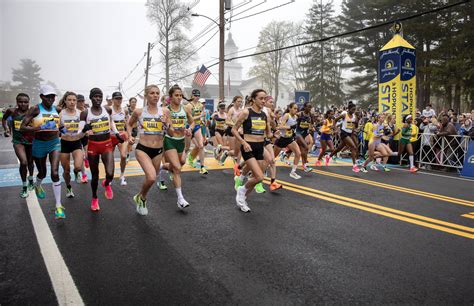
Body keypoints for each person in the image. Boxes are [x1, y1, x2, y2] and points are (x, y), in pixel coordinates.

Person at [20, 85, 64, 218]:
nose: (51, 99)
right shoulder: (35, 109)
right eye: (48, 96)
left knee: (55, 172)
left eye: (53, 96)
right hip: (39, 144)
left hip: (54, 143)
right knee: (43, 172)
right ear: (42, 97)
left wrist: (62, 128)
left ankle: (58, 206)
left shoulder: (56, 109)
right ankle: (38, 185)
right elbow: (22, 127)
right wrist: (37, 128)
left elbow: (59, 124)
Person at [80, 88, 124, 211]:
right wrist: (84, 129)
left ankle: (106, 183)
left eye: (100, 96)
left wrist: (116, 133)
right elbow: (79, 132)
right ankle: (94, 198)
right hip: (93, 145)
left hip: (106, 144)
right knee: (95, 175)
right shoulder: (85, 113)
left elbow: (111, 123)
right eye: (95, 96)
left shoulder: (107, 109)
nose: (97, 98)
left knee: (110, 173)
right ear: (91, 97)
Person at [127, 85, 166, 215]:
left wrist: (167, 123)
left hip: (158, 150)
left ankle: (139, 195)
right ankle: (143, 199)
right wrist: (130, 136)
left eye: (157, 93)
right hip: (143, 148)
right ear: (146, 96)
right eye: (152, 93)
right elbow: (129, 124)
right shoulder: (139, 112)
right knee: (151, 177)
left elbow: (170, 131)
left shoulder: (165, 112)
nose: (155, 95)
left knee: (151, 178)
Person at [232, 89, 271, 212]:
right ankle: (241, 190)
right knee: (259, 177)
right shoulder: (246, 112)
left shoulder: (264, 115)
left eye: (265, 99)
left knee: (255, 178)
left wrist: (273, 130)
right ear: (253, 99)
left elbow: (268, 134)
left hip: (260, 147)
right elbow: (234, 129)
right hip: (248, 147)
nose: (264, 101)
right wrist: (243, 142)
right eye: (261, 98)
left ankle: (242, 199)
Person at [162, 85, 195, 209]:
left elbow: (192, 122)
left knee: (181, 162)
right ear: (170, 97)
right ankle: (180, 199)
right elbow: (168, 129)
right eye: (176, 95)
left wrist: (189, 129)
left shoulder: (185, 109)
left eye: (180, 95)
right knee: (176, 168)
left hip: (181, 140)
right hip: (169, 140)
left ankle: (161, 167)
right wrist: (173, 127)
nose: (179, 97)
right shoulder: (166, 109)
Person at [2, 93, 35, 198]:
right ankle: (24, 186)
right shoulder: (11, 111)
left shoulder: (33, 112)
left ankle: (30, 179)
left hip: (30, 141)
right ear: (17, 102)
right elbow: (3, 119)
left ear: (28, 102)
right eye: (20, 102)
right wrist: (6, 129)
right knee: (24, 162)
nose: (23, 104)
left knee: (30, 162)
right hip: (18, 141)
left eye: (26, 102)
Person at [58, 92, 85, 198]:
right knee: (66, 170)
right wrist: (62, 129)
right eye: (69, 100)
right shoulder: (61, 113)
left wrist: (85, 131)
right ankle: (69, 187)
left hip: (76, 143)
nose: (72, 102)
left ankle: (76, 172)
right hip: (64, 143)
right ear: (65, 101)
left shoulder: (80, 113)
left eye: (74, 100)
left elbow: (84, 128)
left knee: (78, 166)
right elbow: (58, 128)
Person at [328, 102, 361, 173]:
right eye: (352, 109)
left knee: (339, 148)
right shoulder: (344, 115)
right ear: (348, 109)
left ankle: (329, 156)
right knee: (353, 147)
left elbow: (356, 126)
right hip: (343, 133)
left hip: (349, 134)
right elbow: (335, 120)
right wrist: (335, 129)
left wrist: (356, 123)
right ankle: (354, 166)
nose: (353, 111)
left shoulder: (354, 116)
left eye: (354, 110)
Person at [273, 102, 302, 179]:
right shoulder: (286, 115)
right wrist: (290, 127)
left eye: (297, 109)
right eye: (294, 108)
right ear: (290, 108)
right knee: (272, 157)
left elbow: (293, 128)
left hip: (289, 139)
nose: (296, 110)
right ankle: (263, 169)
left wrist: (293, 132)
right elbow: (280, 126)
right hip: (281, 139)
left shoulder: (295, 117)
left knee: (298, 153)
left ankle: (293, 172)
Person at [185, 89, 208, 174]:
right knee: (186, 148)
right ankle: (178, 165)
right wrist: (201, 116)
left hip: (197, 127)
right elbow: (190, 119)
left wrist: (203, 119)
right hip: (189, 127)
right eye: (195, 95)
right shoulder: (188, 106)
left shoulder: (200, 105)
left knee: (201, 146)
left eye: (198, 95)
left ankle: (202, 167)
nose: (197, 97)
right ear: (192, 96)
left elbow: (202, 116)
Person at [110, 92, 130, 185]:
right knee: (110, 158)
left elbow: (128, 123)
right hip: (111, 136)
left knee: (123, 156)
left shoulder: (125, 110)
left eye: (120, 98)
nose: (119, 100)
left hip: (122, 136)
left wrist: (129, 134)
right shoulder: (109, 110)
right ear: (113, 100)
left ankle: (122, 176)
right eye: (117, 98)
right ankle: (109, 176)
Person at [295, 102, 314, 172]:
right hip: (298, 133)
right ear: (305, 107)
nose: (310, 108)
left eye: (310, 107)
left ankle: (304, 165)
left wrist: (311, 128)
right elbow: (292, 118)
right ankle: (305, 164)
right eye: (308, 107)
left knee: (303, 150)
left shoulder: (310, 115)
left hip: (305, 134)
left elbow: (312, 124)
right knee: (306, 147)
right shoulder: (300, 114)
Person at [76, 94, 89, 182]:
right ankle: (84, 175)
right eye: (79, 101)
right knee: (80, 156)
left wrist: (89, 131)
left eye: (82, 101)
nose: (81, 103)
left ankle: (86, 159)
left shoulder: (87, 111)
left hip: (86, 136)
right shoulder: (74, 112)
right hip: (77, 137)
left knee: (87, 155)